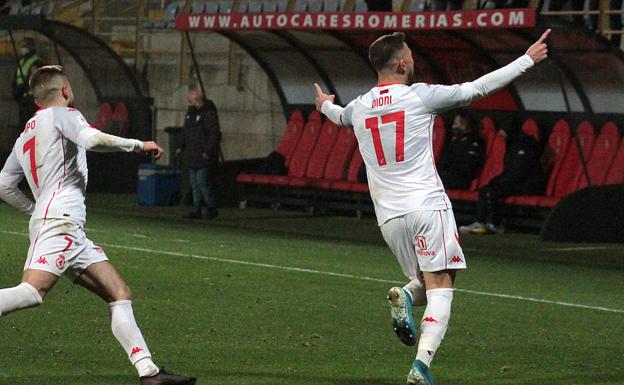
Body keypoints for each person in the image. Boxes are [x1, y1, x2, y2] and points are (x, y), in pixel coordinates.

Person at [314, 29, 550, 385]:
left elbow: (339, 115)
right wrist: (526, 60)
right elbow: (478, 88)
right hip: (426, 205)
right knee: (442, 286)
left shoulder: (359, 106)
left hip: (388, 217)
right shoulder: (420, 96)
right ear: (403, 63)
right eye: (411, 55)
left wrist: (323, 104)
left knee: (425, 281)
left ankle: (406, 295)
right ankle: (420, 368)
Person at [0, 65, 196, 385]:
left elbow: (4, 184)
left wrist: (35, 211)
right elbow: (92, 139)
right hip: (60, 223)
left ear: (36, 100)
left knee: (118, 292)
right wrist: (139, 145)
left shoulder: (26, 134)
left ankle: (149, 372)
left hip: (62, 225)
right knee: (33, 292)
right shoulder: (65, 114)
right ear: (65, 91)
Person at [460, 119, 545, 235]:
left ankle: (494, 224)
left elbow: (519, 172)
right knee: (487, 189)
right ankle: (482, 222)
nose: (500, 134)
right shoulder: (514, 144)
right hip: (518, 182)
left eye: (502, 131)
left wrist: (500, 181)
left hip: (528, 185)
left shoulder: (524, 145)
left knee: (490, 191)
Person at [176, 90, 221, 219]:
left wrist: (207, 151)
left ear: (197, 100)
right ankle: (197, 209)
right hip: (193, 153)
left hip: (202, 154)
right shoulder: (190, 115)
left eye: (191, 101)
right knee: (195, 184)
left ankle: (211, 207)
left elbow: (214, 134)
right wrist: (180, 146)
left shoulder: (208, 114)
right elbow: (186, 132)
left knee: (202, 183)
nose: (189, 104)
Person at [437, 112, 485, 189]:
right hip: (448, 176)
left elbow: (468, 168)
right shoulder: (457, 141)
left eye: (456, 123)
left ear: (464, 125)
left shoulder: (474, 142)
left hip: (459, 180)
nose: (453, 126)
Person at [12, 37, 45, 132]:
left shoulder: (37, 62)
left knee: (33, 130)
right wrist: (15, 91)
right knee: (24, 129)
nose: (23, 48)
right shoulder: (22, 62)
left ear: (31, 47)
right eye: (22, 46)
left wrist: (23, 88)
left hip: (33, 100)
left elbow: (36, 80)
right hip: (23, 100)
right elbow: (16, 79)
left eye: (25, 46)